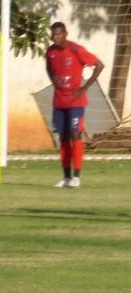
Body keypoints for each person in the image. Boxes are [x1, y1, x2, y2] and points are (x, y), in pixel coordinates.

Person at [46, 21, 104, 189]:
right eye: (53, 34)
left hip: (76, 102)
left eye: (58, 34)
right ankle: (66, 178)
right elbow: (49, 67)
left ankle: (76, 177)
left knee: (75, 134)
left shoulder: (76, 50)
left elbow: (99, 65)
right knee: (63, 137)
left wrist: (84, 88)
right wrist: (53, 79)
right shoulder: (50, 52)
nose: (55, 37)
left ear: (65, 34)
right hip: (59, 101)